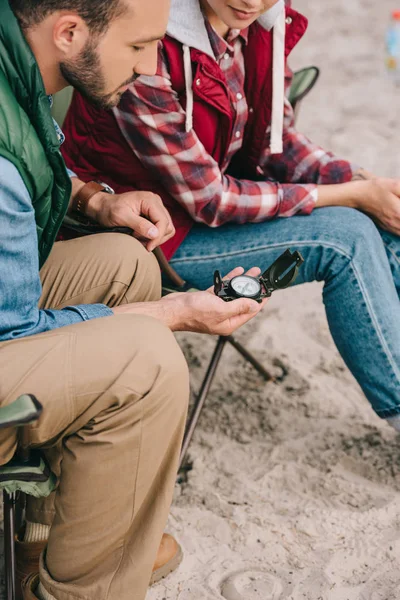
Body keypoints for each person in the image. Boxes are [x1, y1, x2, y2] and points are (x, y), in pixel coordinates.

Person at [0, 1, 267, 599]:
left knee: (122, 261)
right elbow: (14, 337)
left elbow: (31, 152)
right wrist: (174, 314)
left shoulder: (14, 56)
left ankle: (50, 533)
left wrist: (96, 201)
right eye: (140, 46)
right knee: (146, 363)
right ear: (68, 33)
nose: (151, 68)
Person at [62, 0, 400, 430]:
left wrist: (361, 182)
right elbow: (212, 200)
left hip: (208, 210)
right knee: (346, 237)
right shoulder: (146, 42)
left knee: (388, 218)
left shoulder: (262, 23)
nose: (251, 1)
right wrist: (350, 195)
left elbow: (279, 141)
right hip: (148, 238)